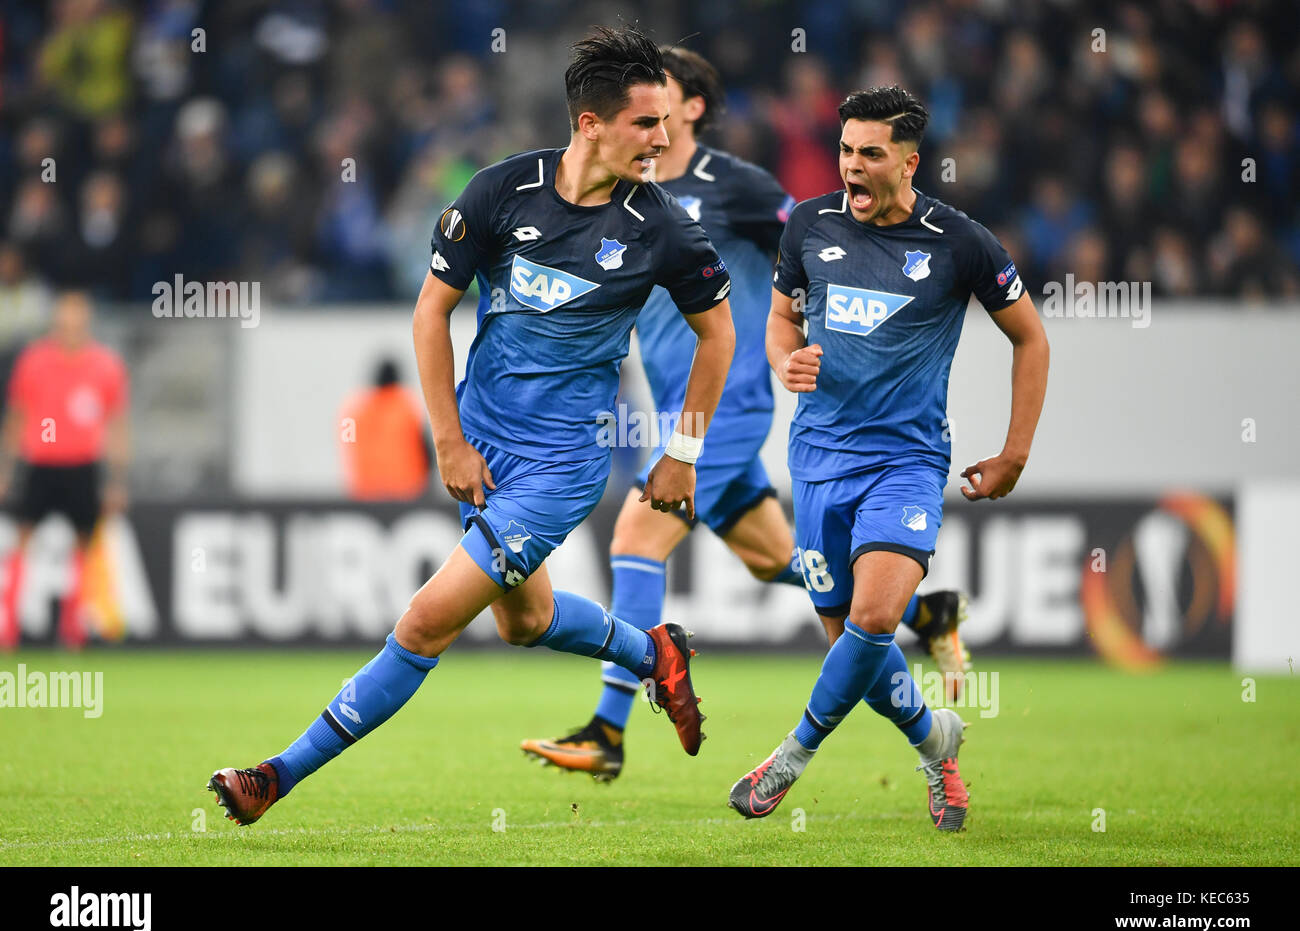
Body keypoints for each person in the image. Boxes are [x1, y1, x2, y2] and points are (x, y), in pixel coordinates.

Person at [206, 26, 736, 826]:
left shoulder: (660, 225)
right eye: (646, 123)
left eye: (667, 123)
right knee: (524, 622)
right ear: (589, 124)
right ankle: (655, 651)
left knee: (424, 623)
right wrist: (450, 440)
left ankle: (274, 777)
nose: (664, 139)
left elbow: (718, 332)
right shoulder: (498, 192)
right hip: (483, 450)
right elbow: (430, 314)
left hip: (562, 463)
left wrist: (682, 454)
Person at [520, 49, 972, 783]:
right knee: (776, 562)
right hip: (674, 409)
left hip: (726, 405)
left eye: (657, 97)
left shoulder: (736, 188)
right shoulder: (624, 196)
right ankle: (927, 624)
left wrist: (829, 336)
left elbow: (823, 244)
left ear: (691, 107)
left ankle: (609, 729)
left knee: (637, 535)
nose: (646, 115)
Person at [728, 87, 1049, 831]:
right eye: (845, 150)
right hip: (815, 460)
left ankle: (789, 758)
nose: (851, 166)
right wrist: (785, 360)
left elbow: (1030, 337)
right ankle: (937, 744)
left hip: (904, 460)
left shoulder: (961, 242)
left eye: (870, 154)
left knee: (873, 619)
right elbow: (781, 319)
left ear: (909, 162)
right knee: (853, 647)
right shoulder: (808, 225)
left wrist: (1014, 452)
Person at [0, 290, 130, 649]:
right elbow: (17, 416)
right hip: (40, 462)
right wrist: (6, 468)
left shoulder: (105, 365)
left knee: (84, 545)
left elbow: (116, 424)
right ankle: (7, 628)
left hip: (82, 465)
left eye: (77, 323)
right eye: (64, 323)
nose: (70, 330)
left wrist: (117, 479)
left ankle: (74, 631)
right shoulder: (34, 361)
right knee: (23, 540)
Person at [338, 357, 433, 501]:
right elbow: (427, 450)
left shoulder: (356, 410)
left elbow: (348, 447)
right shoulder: (406, 405)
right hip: (407, 490)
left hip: (364, 490)